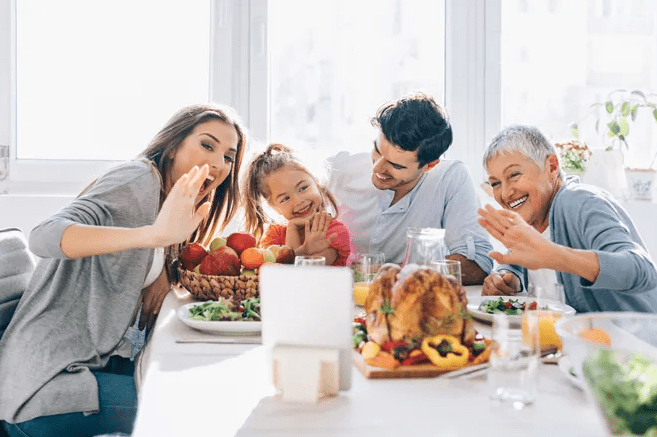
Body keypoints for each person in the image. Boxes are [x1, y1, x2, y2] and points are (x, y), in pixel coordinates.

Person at [0, 103, 247, 437]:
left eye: (229, 157)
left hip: (86, 365)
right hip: (40, 388)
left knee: (205, 383)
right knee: (196, 408)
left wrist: (165, 267)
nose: (218, 165)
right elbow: (43, 236)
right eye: (207, 145)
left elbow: (139, 256)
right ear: (173, 147)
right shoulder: (137, 178)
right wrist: (153, 236)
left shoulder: (170, 201)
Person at [478, 124, 657, 313]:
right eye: (496, 183)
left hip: (632, 339)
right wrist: (509, 275)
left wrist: (556, 257)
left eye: (514, 174)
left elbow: (643, 269)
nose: (505, 193)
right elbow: (527, 256)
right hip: (576, 338)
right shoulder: (534, 218)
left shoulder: (580, 201)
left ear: (552, 167)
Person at [326, 92, 493, 284]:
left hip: (413, 304)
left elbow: (478, 264)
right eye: (377, 151)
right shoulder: (341, 171)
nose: (378, 167)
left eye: (396, 166)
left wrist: (399, 275)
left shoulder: (450, 178)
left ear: (429, 165)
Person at [243, 143, 350, 266]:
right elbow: (277, 273)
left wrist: (299, 252)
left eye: (303, 188)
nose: (298, 201)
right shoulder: (275, 235)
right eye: (285, 198)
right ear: (274, 208)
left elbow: (306, 274)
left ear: (316, 183)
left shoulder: (335, 231)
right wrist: (293, 230)